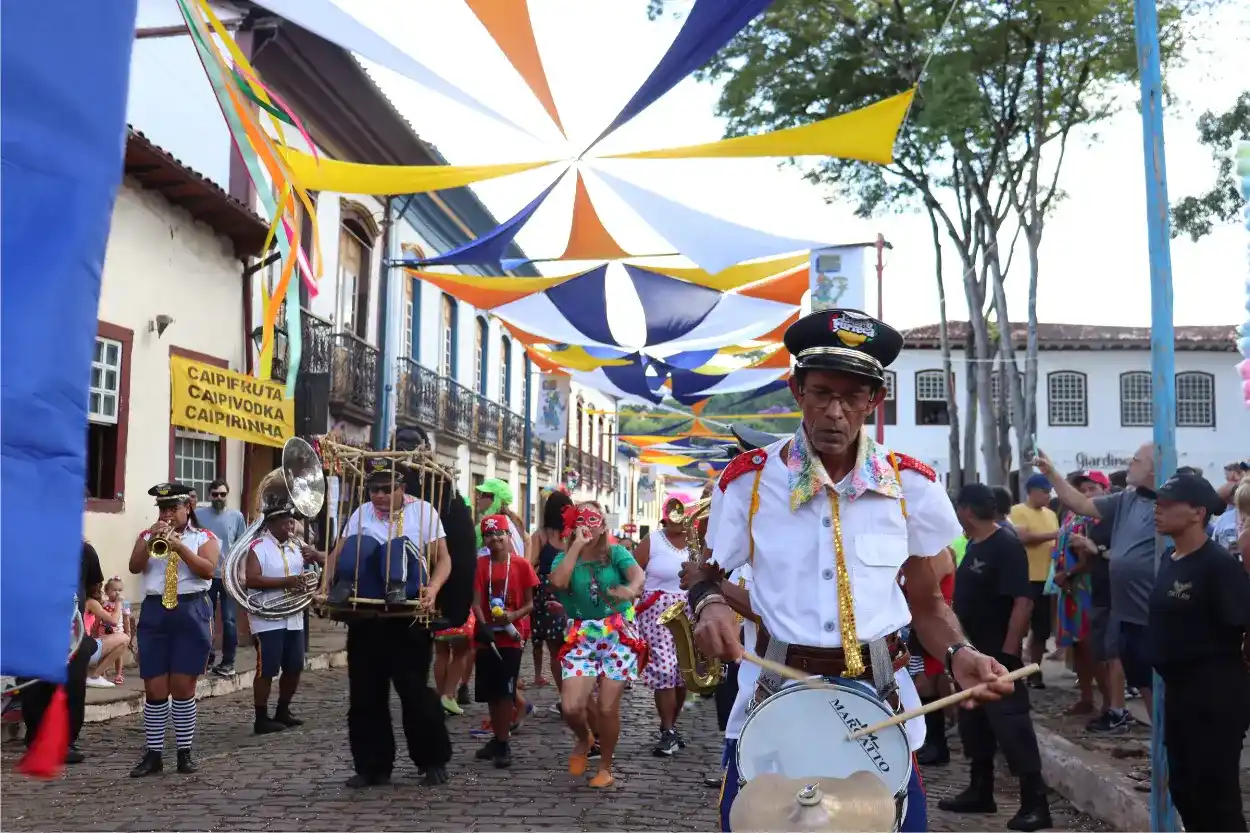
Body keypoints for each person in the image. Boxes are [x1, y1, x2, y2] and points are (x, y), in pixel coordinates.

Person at [685, 308, 1016, 833]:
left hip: (880, 714)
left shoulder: (913, 487)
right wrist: (712, 605)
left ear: (874, 401)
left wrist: (960, 653)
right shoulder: (746, 484)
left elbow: (928, 604)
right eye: (821, 393)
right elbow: (702, 574)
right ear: (797, 391)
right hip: (772, 708)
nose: (834, 411)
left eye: (852, 397)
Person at [323, 459, 454, 788]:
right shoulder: (361, 513)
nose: (379, 496)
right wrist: (324, 584)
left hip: (405, 616)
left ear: (402, 489)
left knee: (413, 692)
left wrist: (433, 589)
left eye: (386, 489)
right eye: (374, 489)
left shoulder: (423, 512)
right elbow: (338, 552)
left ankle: (432, 760)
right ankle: (372, 766)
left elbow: (444, 557)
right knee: (365, 693)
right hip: (367, 618)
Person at [1145, 472, 1250, 832]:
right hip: (1179, 695)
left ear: (1197, 513)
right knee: (1186, 791)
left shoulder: (1217, 565)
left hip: (1215, 696)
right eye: (1156, 503)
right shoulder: (1170, 559)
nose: (1157, 511)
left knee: (1216, 796)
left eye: (1167, 505)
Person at [942, 483, 1051, 830]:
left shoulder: (1005, 545)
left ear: (965, 511)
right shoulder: (975, 545)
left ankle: (1036, 804)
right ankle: (980, 790)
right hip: (973, 654)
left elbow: (1023, 601)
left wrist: (1009, 651)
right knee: (974, 724)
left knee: (1012, 727)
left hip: (999, 656)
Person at [1035, 444, 1158, 723]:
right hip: (1125, 610)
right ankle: (1161, 753)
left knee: (1159, 686)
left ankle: (1172, 757)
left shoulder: (1168, 504)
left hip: (1151, 612)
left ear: (1153, 467)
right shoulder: (1126, 499)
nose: (1130, 463)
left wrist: (1098, 552)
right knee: (1144, 682)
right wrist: (1052, 473)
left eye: (1136, 460)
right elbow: (1080, 503)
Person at [549, 501, 646, 789]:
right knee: (571, 706)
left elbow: (638, 575)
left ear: (603, 525)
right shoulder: (563, 558)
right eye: (582, 519)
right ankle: (584, 738)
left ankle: (605, 766)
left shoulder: (616, 553)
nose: (588, 525)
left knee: (606, 708)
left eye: (594, 519)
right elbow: (558, 582)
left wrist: (630, 590)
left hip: (618, 633)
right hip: (581, 634)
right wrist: (576, 547)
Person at [127, 482, 219, 777]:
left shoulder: (204, 537)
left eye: (173, 508)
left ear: (187, 508)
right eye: (163, 509)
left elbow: (208, 570)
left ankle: (184, 752)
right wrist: (150, 539)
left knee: (182, 688)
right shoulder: (147, 535)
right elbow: (134, 566)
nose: (167, 514)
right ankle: (153, 754)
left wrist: (179, 547)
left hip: (190, 609)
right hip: (155, 611)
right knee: (154, 688)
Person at [17, 536, 103, 764]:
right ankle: (36, 739)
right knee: (34, 687)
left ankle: (65, 741)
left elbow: (94, 585)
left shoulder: (85, 551)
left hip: (73, 632)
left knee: (72, 687)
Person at [245, 497, 324, 735]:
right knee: (266, 669)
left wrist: (311, 568)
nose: (290, 527)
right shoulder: (258, 547)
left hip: (294, 616)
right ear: (270, 524)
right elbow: (252, 579)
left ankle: (283, 710)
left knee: (294, 666)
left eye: (291, 523)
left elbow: (308, 576)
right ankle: (261, 718)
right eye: (284, 523)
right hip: (267, 618)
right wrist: (287, 582)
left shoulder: (295, 546)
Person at [471, 514, 538, 768]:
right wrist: (483, 624)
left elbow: (530, 603)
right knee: (490, 691)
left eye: (500, 533)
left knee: (505, 691)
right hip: (487, 636)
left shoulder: (521, 565)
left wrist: (513, 616)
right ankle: (497, 740)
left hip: (511, 636)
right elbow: (476, 602)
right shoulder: (480, 565)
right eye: (489, 534)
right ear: (485, 539)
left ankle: (503, 741)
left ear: (509, 536)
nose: (495, 538)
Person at [634, 496, 692, 756]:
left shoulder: (696, 542)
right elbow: (632, 572)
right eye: (673, 513)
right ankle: (667, 730)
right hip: (657, 613)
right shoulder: (653, 540)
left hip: (688, 611)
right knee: (666, 670)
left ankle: (671, 726)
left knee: (683, 674)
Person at [1052, 470, 1109, 716]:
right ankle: (1086, 697)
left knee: (1093, 646)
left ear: (1105, 490)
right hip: (1070, 589)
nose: (1086, 494)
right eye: (1082, 490)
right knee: (1077, 647)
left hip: (1090, 586)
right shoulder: (1071, 514)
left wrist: (1069, 573)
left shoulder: (1102, 517)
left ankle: (1110, 703)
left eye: (1092, 488)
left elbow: (1093, 555)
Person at [1009, 475, 1059, 688]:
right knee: (1019, 628)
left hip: (1047, 580)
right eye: (1044, 492)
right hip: (1025, 578)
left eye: (1049, 492)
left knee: (1042, 630)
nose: (1048, 496)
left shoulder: (1050, 514)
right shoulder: (1018, 511)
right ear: (1032, 491)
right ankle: (1015, 670)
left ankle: (1035, 671)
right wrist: (1056, 534)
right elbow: (1022, 538)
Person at [199, 478, 246, 677]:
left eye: (223, 494)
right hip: (206, 574)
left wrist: (242, 572)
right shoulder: (199, 515)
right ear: (209, 495)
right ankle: (206, 658)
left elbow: (243, 546)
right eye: (215, 494)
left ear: (228, 495)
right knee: (205, 617)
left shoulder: (236, 516)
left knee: (229, 620)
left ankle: (228, 661)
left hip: (228, 576)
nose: (219, 498)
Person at [529, 490, 573, 699]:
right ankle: (566, 694)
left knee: (559, 647)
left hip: (551, 591)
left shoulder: (542, 536)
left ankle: (567, 693)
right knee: (559, 645)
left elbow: (530, 564)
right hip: (554, 594)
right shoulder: (561, 537)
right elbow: (530, 565)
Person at [474, 478, 526, 558]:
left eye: (483, 494)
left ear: (495, 500)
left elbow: (508, 554)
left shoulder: (496, 524)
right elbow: (528, 541)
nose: (478, 497)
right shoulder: (509, 520)